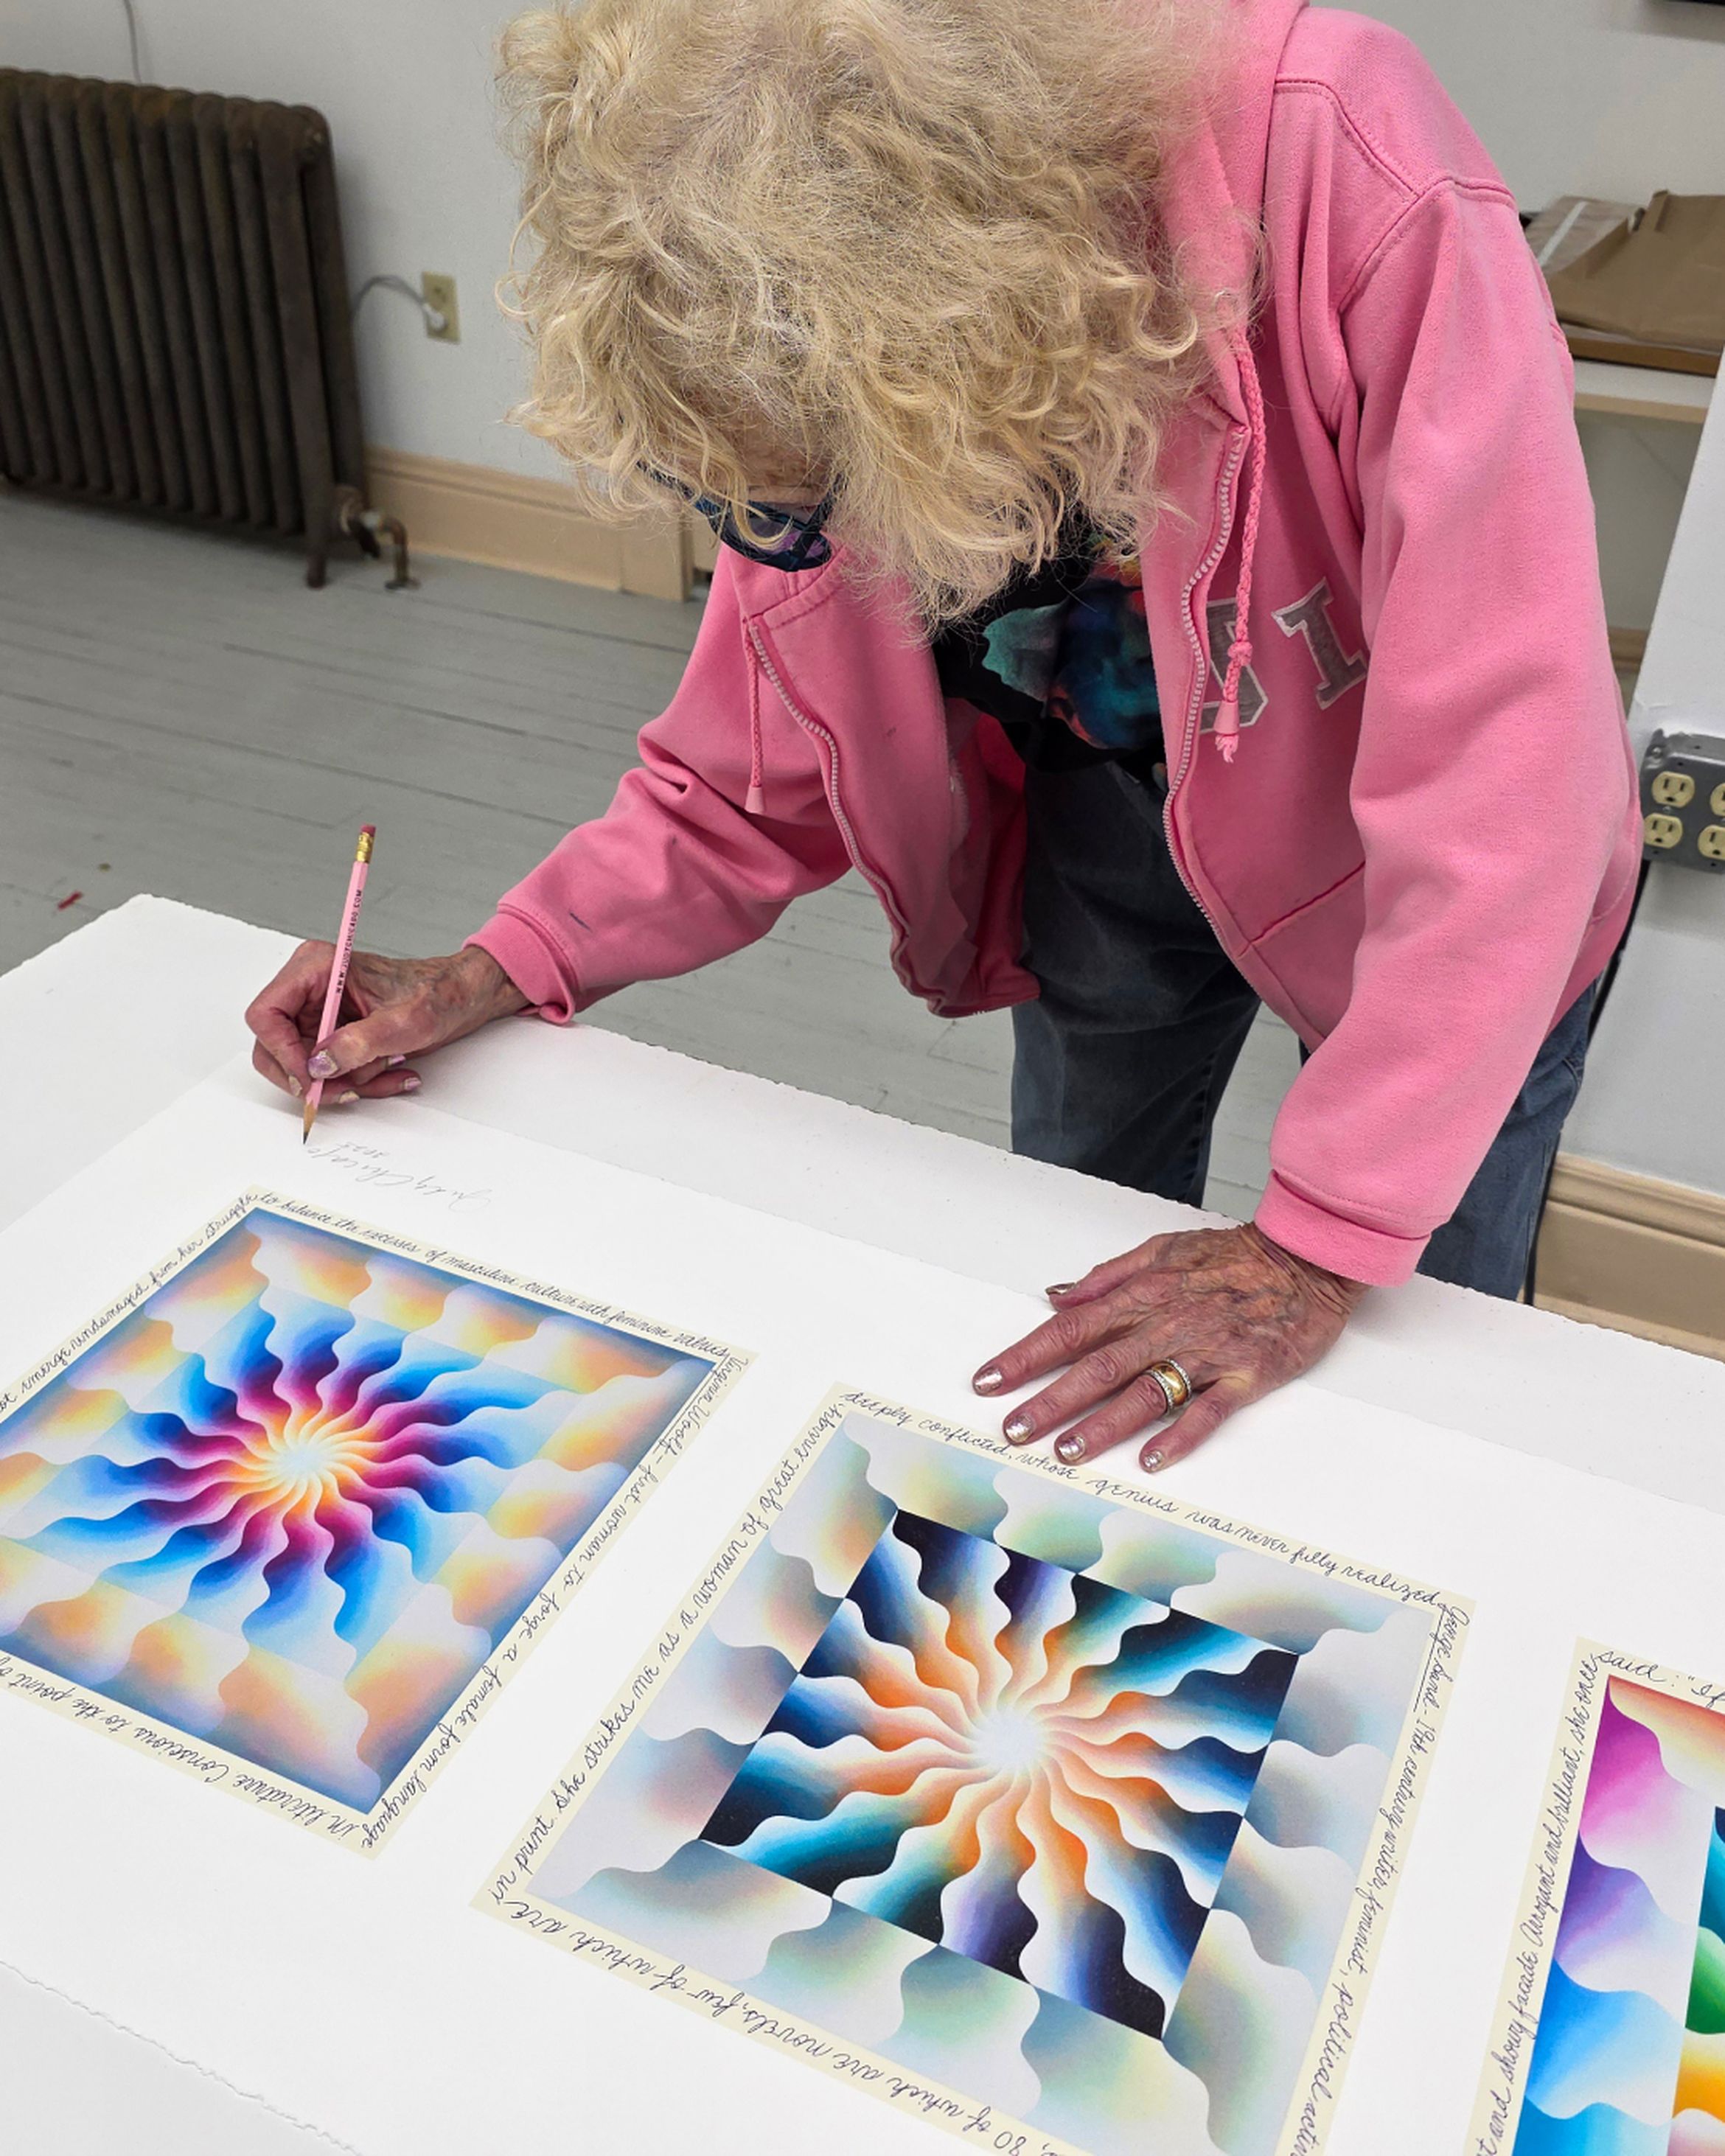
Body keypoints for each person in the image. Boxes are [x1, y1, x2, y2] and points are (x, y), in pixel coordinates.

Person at [246, 0, 1639, 1476]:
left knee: (1427, 1366)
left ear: (961, 329)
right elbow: (746, 762)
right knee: (1083, 1267)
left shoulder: (1345, 151)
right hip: (1104, 815)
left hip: (1453, 901)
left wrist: (1330, 1234)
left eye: (812, 503)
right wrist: (505, 960)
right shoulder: (782, 266)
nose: (794, 544)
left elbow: (1510, 775)